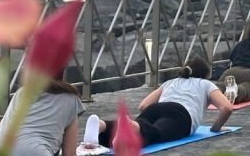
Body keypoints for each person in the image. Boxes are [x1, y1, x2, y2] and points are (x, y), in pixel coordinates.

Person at [85, 57, 233, 149]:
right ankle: (131, 125)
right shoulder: (205, 84)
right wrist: (215, 128)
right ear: (204, 74)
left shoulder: (171, 82)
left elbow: (143, 105)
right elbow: (226, 107)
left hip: (155, 109)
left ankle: (103, 125)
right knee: (155, 133)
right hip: (181, 114)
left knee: (141, 127)